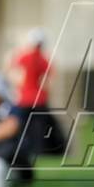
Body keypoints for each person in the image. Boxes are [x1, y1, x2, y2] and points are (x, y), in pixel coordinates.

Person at [8, 28, 65, 156]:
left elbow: (13, 73)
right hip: (39, 100)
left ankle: (23, 150)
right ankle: (39, 151)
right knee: (39, 128)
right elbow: (48, 80)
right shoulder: (43, 59)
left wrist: (18, 87)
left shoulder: (23, 57)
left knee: (21, 126)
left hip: (24, 100)